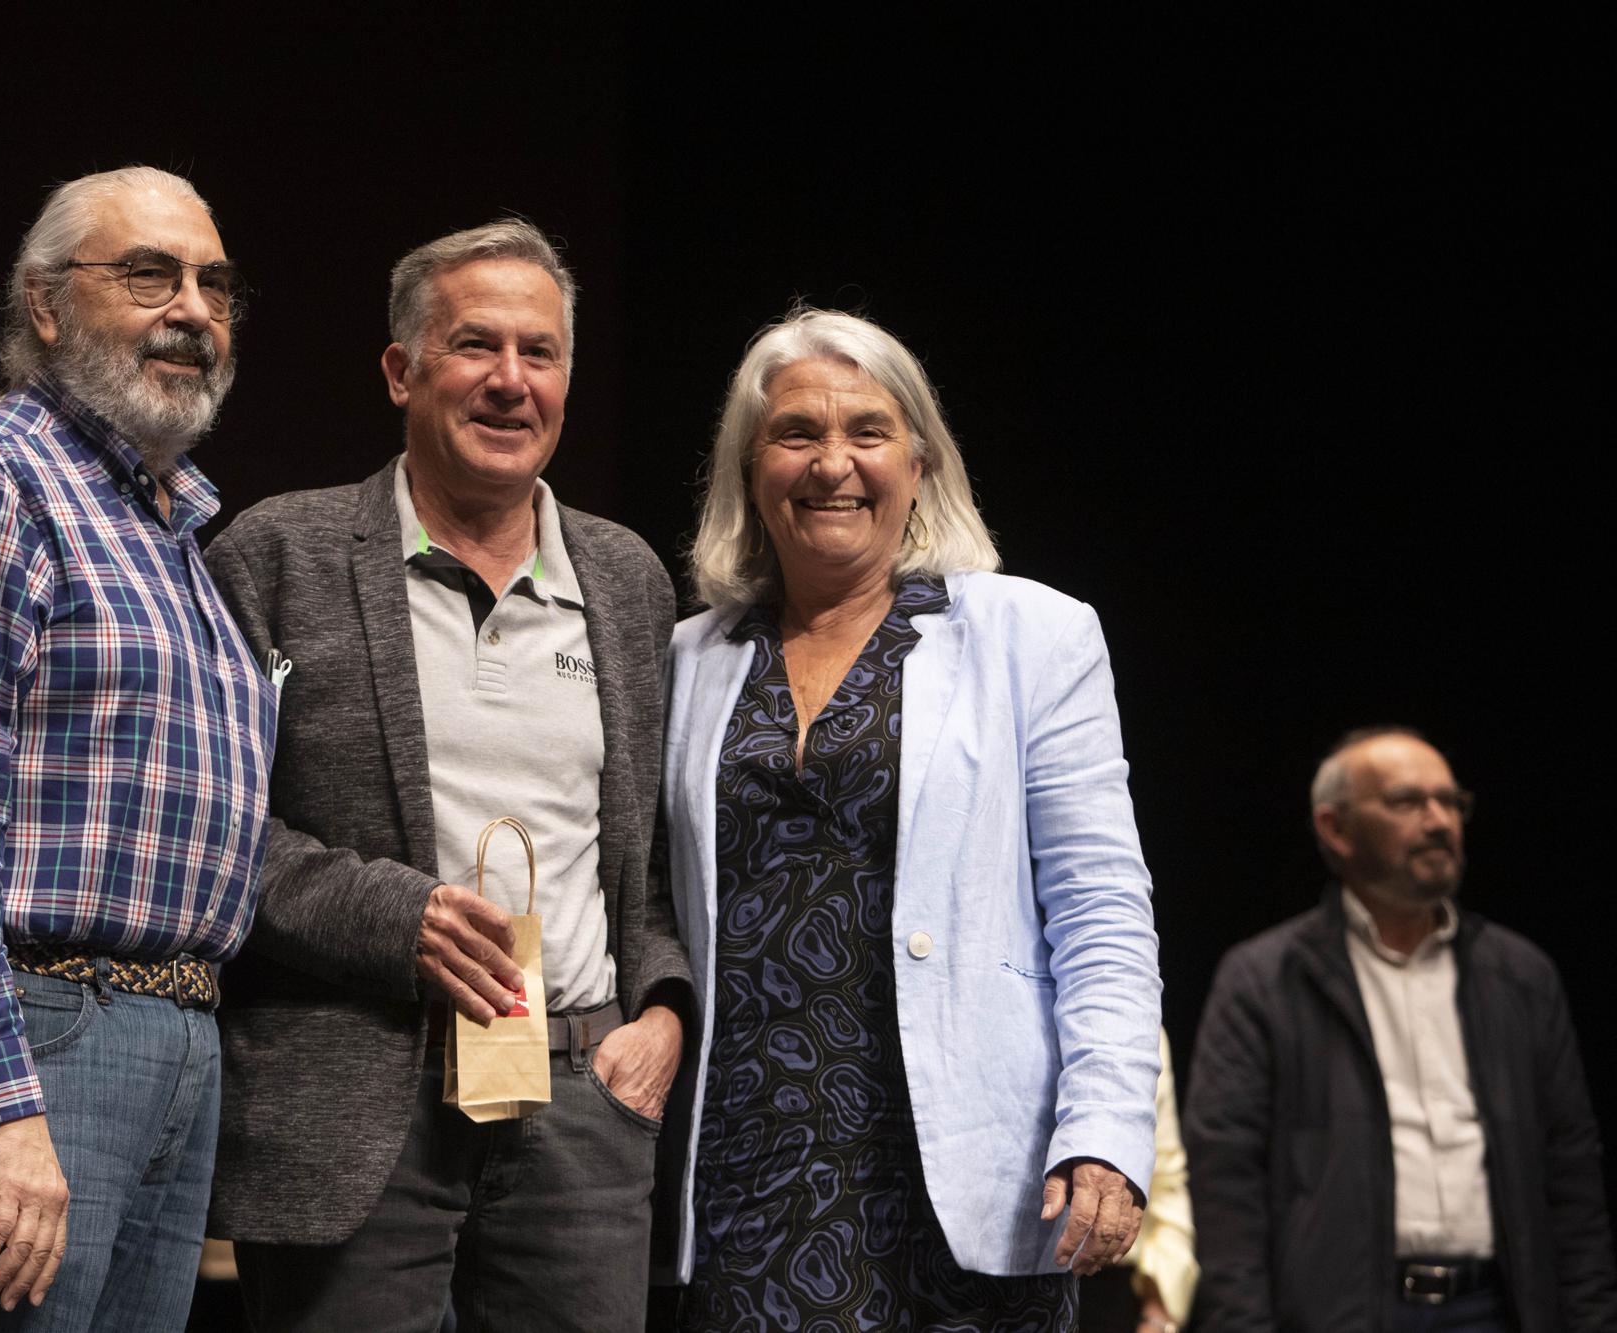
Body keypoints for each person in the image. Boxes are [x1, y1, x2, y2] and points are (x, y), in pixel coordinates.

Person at [203, 219, 692, 1332]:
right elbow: (217, 831)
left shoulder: (625, 579)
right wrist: (399, 918)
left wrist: (659, 1007)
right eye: (475, 346)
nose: (511, 382)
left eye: (540, 352)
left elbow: (650, 852)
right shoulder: (278, 554)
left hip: (579, 1095)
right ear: (400, 370)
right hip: (353, 1096)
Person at [0, 165, 276, 1331]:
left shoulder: (169, 525)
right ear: (44, 304)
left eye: (214, 283)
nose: (192, 308)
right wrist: (3, 1104)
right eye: (148, 274)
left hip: (168, 1033)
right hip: (26, 1029)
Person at [659, 307, 1161, 1328]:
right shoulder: (684, 660)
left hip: (965, 1176)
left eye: (867, 433)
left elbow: (1100, 910)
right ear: (748, 468)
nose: (830, 463)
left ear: (919, 461)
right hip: (743, 1176)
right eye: (795, 433)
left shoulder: (1032, 637)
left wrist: (1105, 1127)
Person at [1184, 727, 1617, 1330]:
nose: (1439, 821)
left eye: (1450, 801)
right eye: (1407, 802)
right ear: (1334, 828)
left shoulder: (1520, 975)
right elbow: (1225, 1182)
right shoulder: (1264, 979)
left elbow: (1572, 1176)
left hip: (1499, 1309)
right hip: (1344, 1314)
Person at [1078, 1030, 1198, 1333]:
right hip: (994, 1286)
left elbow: (1167, 1180)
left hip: (1109, 1291)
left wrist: (1157, 1315)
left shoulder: (1139, 1020)